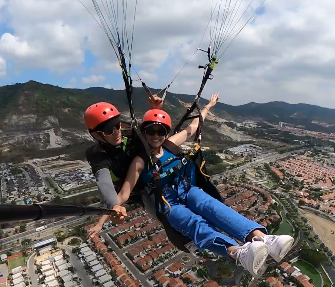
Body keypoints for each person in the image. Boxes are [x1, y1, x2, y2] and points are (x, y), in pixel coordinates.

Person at [116, 93, 295, 276]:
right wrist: (110, 211)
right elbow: (124, 193)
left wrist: (208, 106)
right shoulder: (140, 161)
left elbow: (193, 126)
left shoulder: (170, 145)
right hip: (168, 202)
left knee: (211, 206)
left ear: (166, 133)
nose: (156, 136)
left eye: (160, 131)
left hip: (186, 189)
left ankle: (263, 238)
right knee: (193, 222)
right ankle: (238, 253)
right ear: (144, 133)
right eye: (151, 131)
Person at [85, 96, 163, 237]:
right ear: (96, 135)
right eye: (109, 131)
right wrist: (113, 207)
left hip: (153, 176)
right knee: (164, 217)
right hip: (137, 191)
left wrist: (155, 110)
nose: (116, 133)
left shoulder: (131, 135)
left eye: (117, 125)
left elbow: (154, 133)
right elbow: (103, 182)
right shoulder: (98, 155)